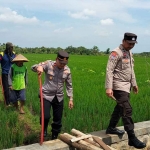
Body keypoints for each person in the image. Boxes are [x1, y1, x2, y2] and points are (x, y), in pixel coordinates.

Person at [105, 32, 146, 149]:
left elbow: (131, 69)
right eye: (129, 43)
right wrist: (108, 87)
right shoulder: (115, 53)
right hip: (118, 85)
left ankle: (111, 128)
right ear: (123, 41)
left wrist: (134, 84)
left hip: (126, 86)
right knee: (126, 109)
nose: (131, 45)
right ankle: (132, 138)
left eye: (133, 44)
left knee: (120, 107)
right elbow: (109, 70)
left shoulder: (129, 52)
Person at [31, 50, 73, 140]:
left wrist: (70, 99)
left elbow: (69, 85)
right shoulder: (48, 64)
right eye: (61, 63)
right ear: (56, 59)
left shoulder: (67, 70)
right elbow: (33, 67)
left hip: (59, 97)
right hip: (46, 95)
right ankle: (44, 128)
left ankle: (54, 136)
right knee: (45, 116)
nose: (62, 65)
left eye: (64, 63)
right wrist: (39, 67)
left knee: (58, 119)